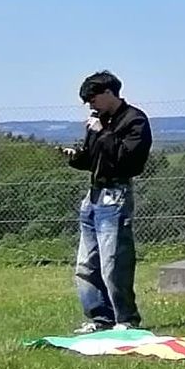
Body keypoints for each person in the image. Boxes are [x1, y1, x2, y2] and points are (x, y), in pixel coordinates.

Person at [62, 70, 153, 334]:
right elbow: (95, 158)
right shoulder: (98, 121)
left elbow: (130, 160)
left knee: (114, 261)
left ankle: (125, 318)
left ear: (109, 93)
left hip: (116, 195)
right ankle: (99, 317)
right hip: (93, 195)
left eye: (93, 99)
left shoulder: (135, 120)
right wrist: (75, 157)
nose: (90, 105)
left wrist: (104, 132)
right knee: (86, 264)